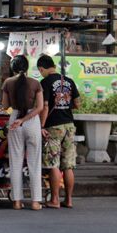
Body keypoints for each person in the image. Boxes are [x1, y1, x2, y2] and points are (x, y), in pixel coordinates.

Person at [37, 55, 80, 209]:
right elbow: (77, 104)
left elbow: (45, 106)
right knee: (68, 165)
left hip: (53, 126)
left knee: (53, 163)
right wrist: (65, 107)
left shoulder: (45, 82)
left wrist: (41, 126)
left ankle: (55, 200)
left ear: (41, 69)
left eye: (40, 71)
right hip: (69, 125)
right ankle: (68, 200)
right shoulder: (68, 81)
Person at [2, 55, 44, 211]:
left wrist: (19, 120)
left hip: (15, 120)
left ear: (13, 68)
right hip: (32, 121)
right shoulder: (35, 83)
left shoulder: (8, 83)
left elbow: (5, 105)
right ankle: (35, 202)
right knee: (34, 163)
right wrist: (25, 119)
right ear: (27, 67)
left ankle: (17, 202)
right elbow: (40, 107)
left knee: (16, 163)